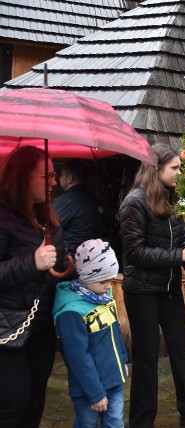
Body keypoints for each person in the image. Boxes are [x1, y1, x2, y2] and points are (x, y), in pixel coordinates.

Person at [118, 143, 185, 428]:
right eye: (175, 168)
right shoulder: (133, 203)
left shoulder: (175, 202)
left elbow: (184, 245)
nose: (180, 173)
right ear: (156, 168)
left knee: (181, 353)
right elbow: (135, 252)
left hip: (170, 291)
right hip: (142, 293)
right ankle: (142, 422)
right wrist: (179, 256)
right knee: (146, 360)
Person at [0, 146, 67, 427]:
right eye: (47, 175)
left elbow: (52, 271)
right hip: (8, 331)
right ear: (22, 177)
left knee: (35, 404)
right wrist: (32, 262)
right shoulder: (3, 217)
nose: (54, 182)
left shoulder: (47, 217)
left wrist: (70, 266)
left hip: (41, 330)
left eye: (55, 175)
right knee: (12, 405)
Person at [53, 238, 128, 428]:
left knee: (115, 423)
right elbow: (77, 357)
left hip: (113, 379)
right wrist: (95, 393)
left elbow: (114, 331)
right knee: (86, 423)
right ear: (87, 277)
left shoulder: (104, 296)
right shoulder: (71, 312)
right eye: (103, 281)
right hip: (88, 390)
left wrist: (122, 360)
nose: (109, 286)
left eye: (111, 280)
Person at [53, 159, 101, 255]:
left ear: (70, 179)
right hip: (90, 256)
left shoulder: (65, 201)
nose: (58, 179)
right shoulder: (94, 200)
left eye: (60, 175)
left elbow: (48, 227)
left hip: (69, 259)